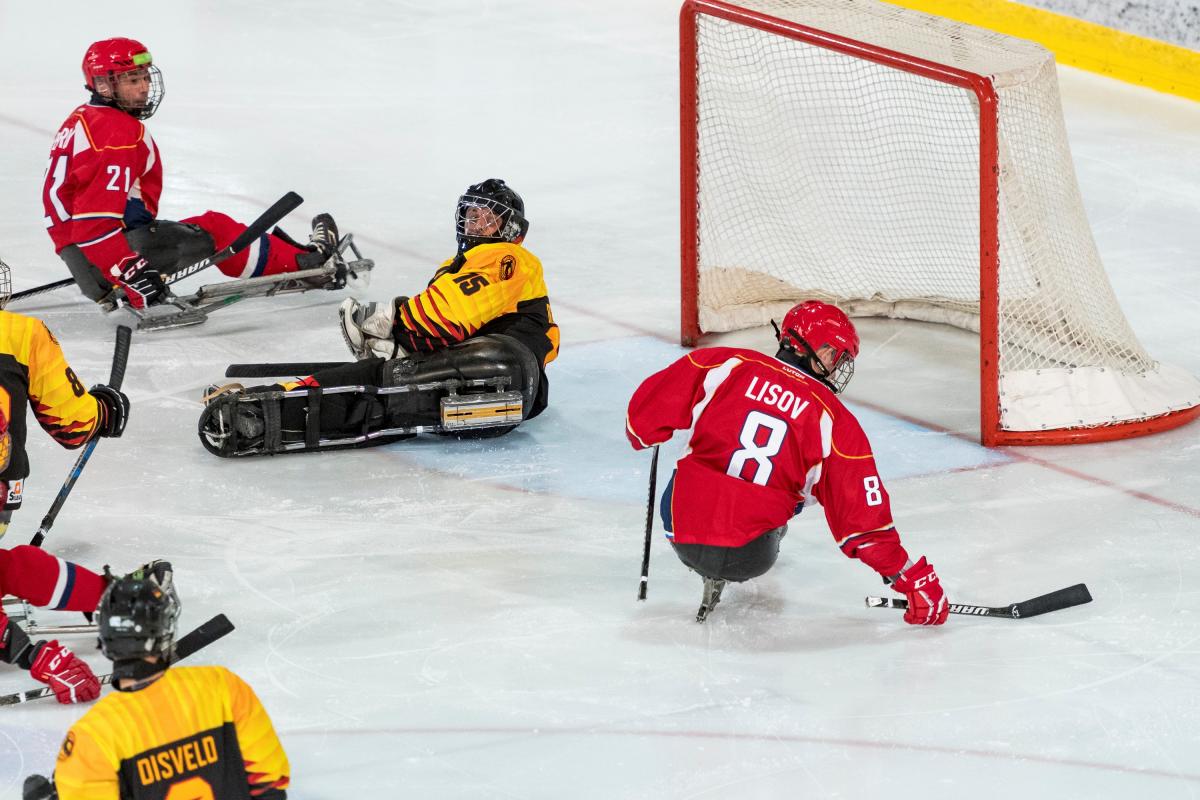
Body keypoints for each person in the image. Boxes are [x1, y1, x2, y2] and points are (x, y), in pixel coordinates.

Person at [625, 300, 949, 624]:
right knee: (794, 485)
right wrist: (911, 580)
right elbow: (865, 525)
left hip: (682, 530)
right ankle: (760, 529)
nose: (837, 367)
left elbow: (639, 423)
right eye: (835, 356)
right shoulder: (834, 421)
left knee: (692, 460)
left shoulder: (725, 363)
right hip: (750, 556)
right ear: (819, 352)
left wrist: (648, 434)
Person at [198, 178, 558, 456]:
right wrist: (398, 346)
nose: (475, 222)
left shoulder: (508, 257)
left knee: (375, 385)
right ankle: (270, 398)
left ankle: (260, 412)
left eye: (488, 216)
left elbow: (439, 320)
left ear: (511, 229)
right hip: (497, 389)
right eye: (471, 213)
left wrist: (393, 320)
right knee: (380, 393)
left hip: (499, 365)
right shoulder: (462, 267)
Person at [42, 37, 340, 311]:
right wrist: (128, 271)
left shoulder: (80, 119)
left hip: (83, 261)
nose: (144, 87)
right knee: (218, 229)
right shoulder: (119, 132)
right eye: (132, 79)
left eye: (145, 77)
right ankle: (308, 263)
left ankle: (291, 252)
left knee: (189, 227)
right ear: (104, 85)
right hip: (110, 255)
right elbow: (93, 223)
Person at [23, 563, 290, 800]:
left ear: (104, 641)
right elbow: (271, 787)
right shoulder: (224, 688)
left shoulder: (93, 735)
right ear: (165, 630)